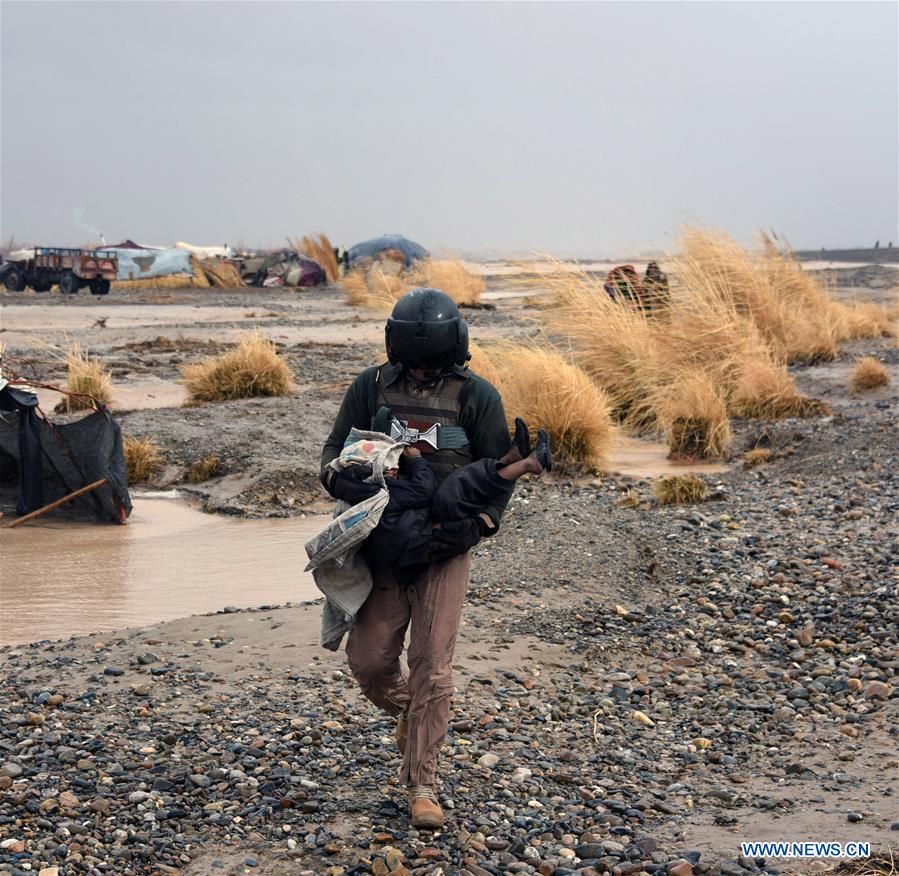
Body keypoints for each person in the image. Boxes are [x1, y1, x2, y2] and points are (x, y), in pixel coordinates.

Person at [320, 287, 514, 829]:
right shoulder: (370, 386)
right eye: (414, 365)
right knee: (370, 662)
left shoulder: (478, 396)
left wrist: (482, 523)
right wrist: (338, 477)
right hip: (381, 544)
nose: (423, 376)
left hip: (445, 545)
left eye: (433, 367)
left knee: (433, 664)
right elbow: (333, 447)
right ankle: (412, 714)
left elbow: (499, 471)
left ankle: (421, 786)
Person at [351, 418, 551, 587]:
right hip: (422, 538)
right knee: (459, 487)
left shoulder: (363, 491)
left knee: (462, 484)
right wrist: (416, 461)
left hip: (417, 532)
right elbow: (423, 490)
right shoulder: (384, 492)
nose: (394, 470)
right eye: (387, 469)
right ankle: (527, 464)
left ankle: (510, 459)